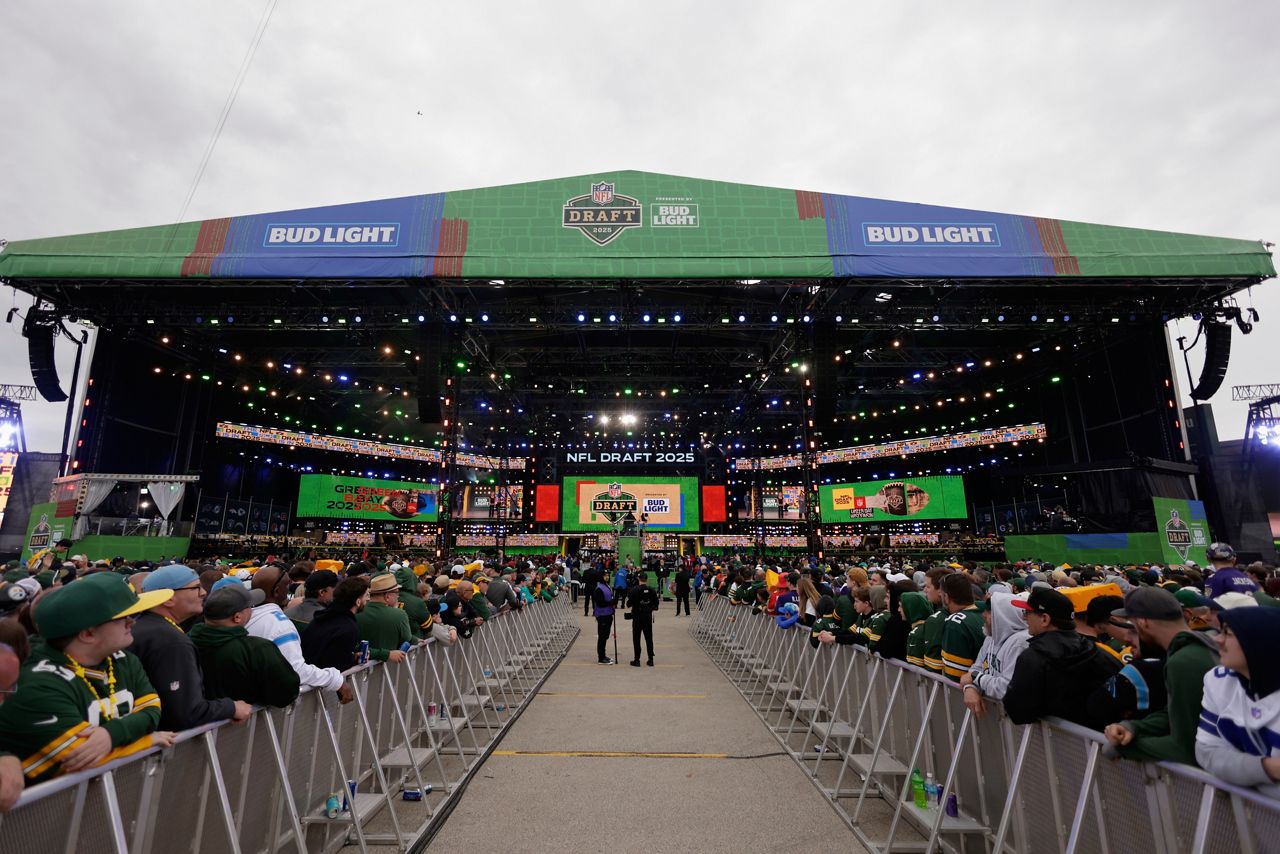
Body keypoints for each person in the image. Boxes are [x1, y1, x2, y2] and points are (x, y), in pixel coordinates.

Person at [0, 573, 176, 783]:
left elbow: (152, 708)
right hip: (39, 802)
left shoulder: (123, 659)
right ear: (88, 634)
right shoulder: (35, 681)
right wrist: (146, 741)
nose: (132, 622)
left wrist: (111, 734)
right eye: (123, 617)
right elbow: (79, 758)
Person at [128, 565, 251, 731]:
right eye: (195, 587)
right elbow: (187, 713)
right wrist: (232, 707)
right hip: (161, 741)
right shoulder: (170, 641)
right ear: (168, 599)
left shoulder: (144, 626)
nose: (204, 593)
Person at [1103, 588, 1218, 766]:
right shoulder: (1199, 644)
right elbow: (1175, 713)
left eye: (1133, 624)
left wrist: (1124, 748)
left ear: (1143, 622)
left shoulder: (1184, 660)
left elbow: (1186, 747)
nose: (1131, 633)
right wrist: (1133, 727)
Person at [1002, 586, 1122, 730]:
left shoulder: (1034, 657)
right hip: (1100, 739)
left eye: (1027, 612)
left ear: (1045, 619)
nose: (1024, 617)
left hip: (1058, 740)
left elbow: (1018, 712)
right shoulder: (1101, 652)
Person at [1195, 607, 1280, 798]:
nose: (1217, 639)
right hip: (1254, 812)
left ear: (1258, 642)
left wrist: (1240, 774)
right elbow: (1206, 752)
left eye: (1228, 633)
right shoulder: (1218, 680)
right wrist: (1266, 768)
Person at [246, 565, 351, 703]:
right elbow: (295, 670)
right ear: (277, 591)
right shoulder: (280, 624)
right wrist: (336, 680)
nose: (289, 588)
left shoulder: (247, 619)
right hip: (267, 705)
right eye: (287, 585)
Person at [189, 585, 300, 709]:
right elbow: (286, 692)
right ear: (237, 617)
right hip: (244, 719)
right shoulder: (257, 649)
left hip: (202, 717)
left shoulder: (185, 643)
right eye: (249, 607)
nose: (252, 610)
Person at [960, 592, 1031, 717]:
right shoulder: (990, 637)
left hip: (1017, 721)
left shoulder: (1020, 642)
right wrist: (970, 688)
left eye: (989, 611)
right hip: (996, 716)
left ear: (1004, 615)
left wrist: (975, 677)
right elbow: (976, 669)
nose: (983, 614)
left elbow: (1005, 688)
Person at [302, 577, 370, 673]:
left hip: (306, 673)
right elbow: (337, 665)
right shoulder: (347, 627)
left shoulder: (323, 616)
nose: (368, 599)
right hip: (320, 678)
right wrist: (352, 659)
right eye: (366, 595)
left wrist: (352, 656)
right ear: (358, 601)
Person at [939, 573, 986, 683]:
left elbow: (955, 676)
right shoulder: (985, 612)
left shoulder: (955, 623)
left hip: (972, 687)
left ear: (946, 597)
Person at [356, 574, 413, 663]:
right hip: (390, 667)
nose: (398, 596)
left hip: (357, 668)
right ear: (387, 596)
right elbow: (407, 639)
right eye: (397, 592)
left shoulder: (356, 611)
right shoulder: (400, 615)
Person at [627, 570, 660, 666]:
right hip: (647, 617)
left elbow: (628, 604)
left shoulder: (635, 590)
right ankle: (651, 659)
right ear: (646, 579)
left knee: (636, 638)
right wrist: (649, 607)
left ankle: (637, 660)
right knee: (649, 638)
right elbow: (656, 605)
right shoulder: (652, 590)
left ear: (638, 579)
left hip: (637, 617)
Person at [592, 571, 616, 664]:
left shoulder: (607, 586)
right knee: (602, 636)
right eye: (605, 575)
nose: (607, 577)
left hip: (608, 614)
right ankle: (601, 658)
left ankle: (603, 655)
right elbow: (600, 603)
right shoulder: (599, 588)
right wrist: (611, 602)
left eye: (607, 575)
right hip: (602, 615)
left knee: (605, 636)